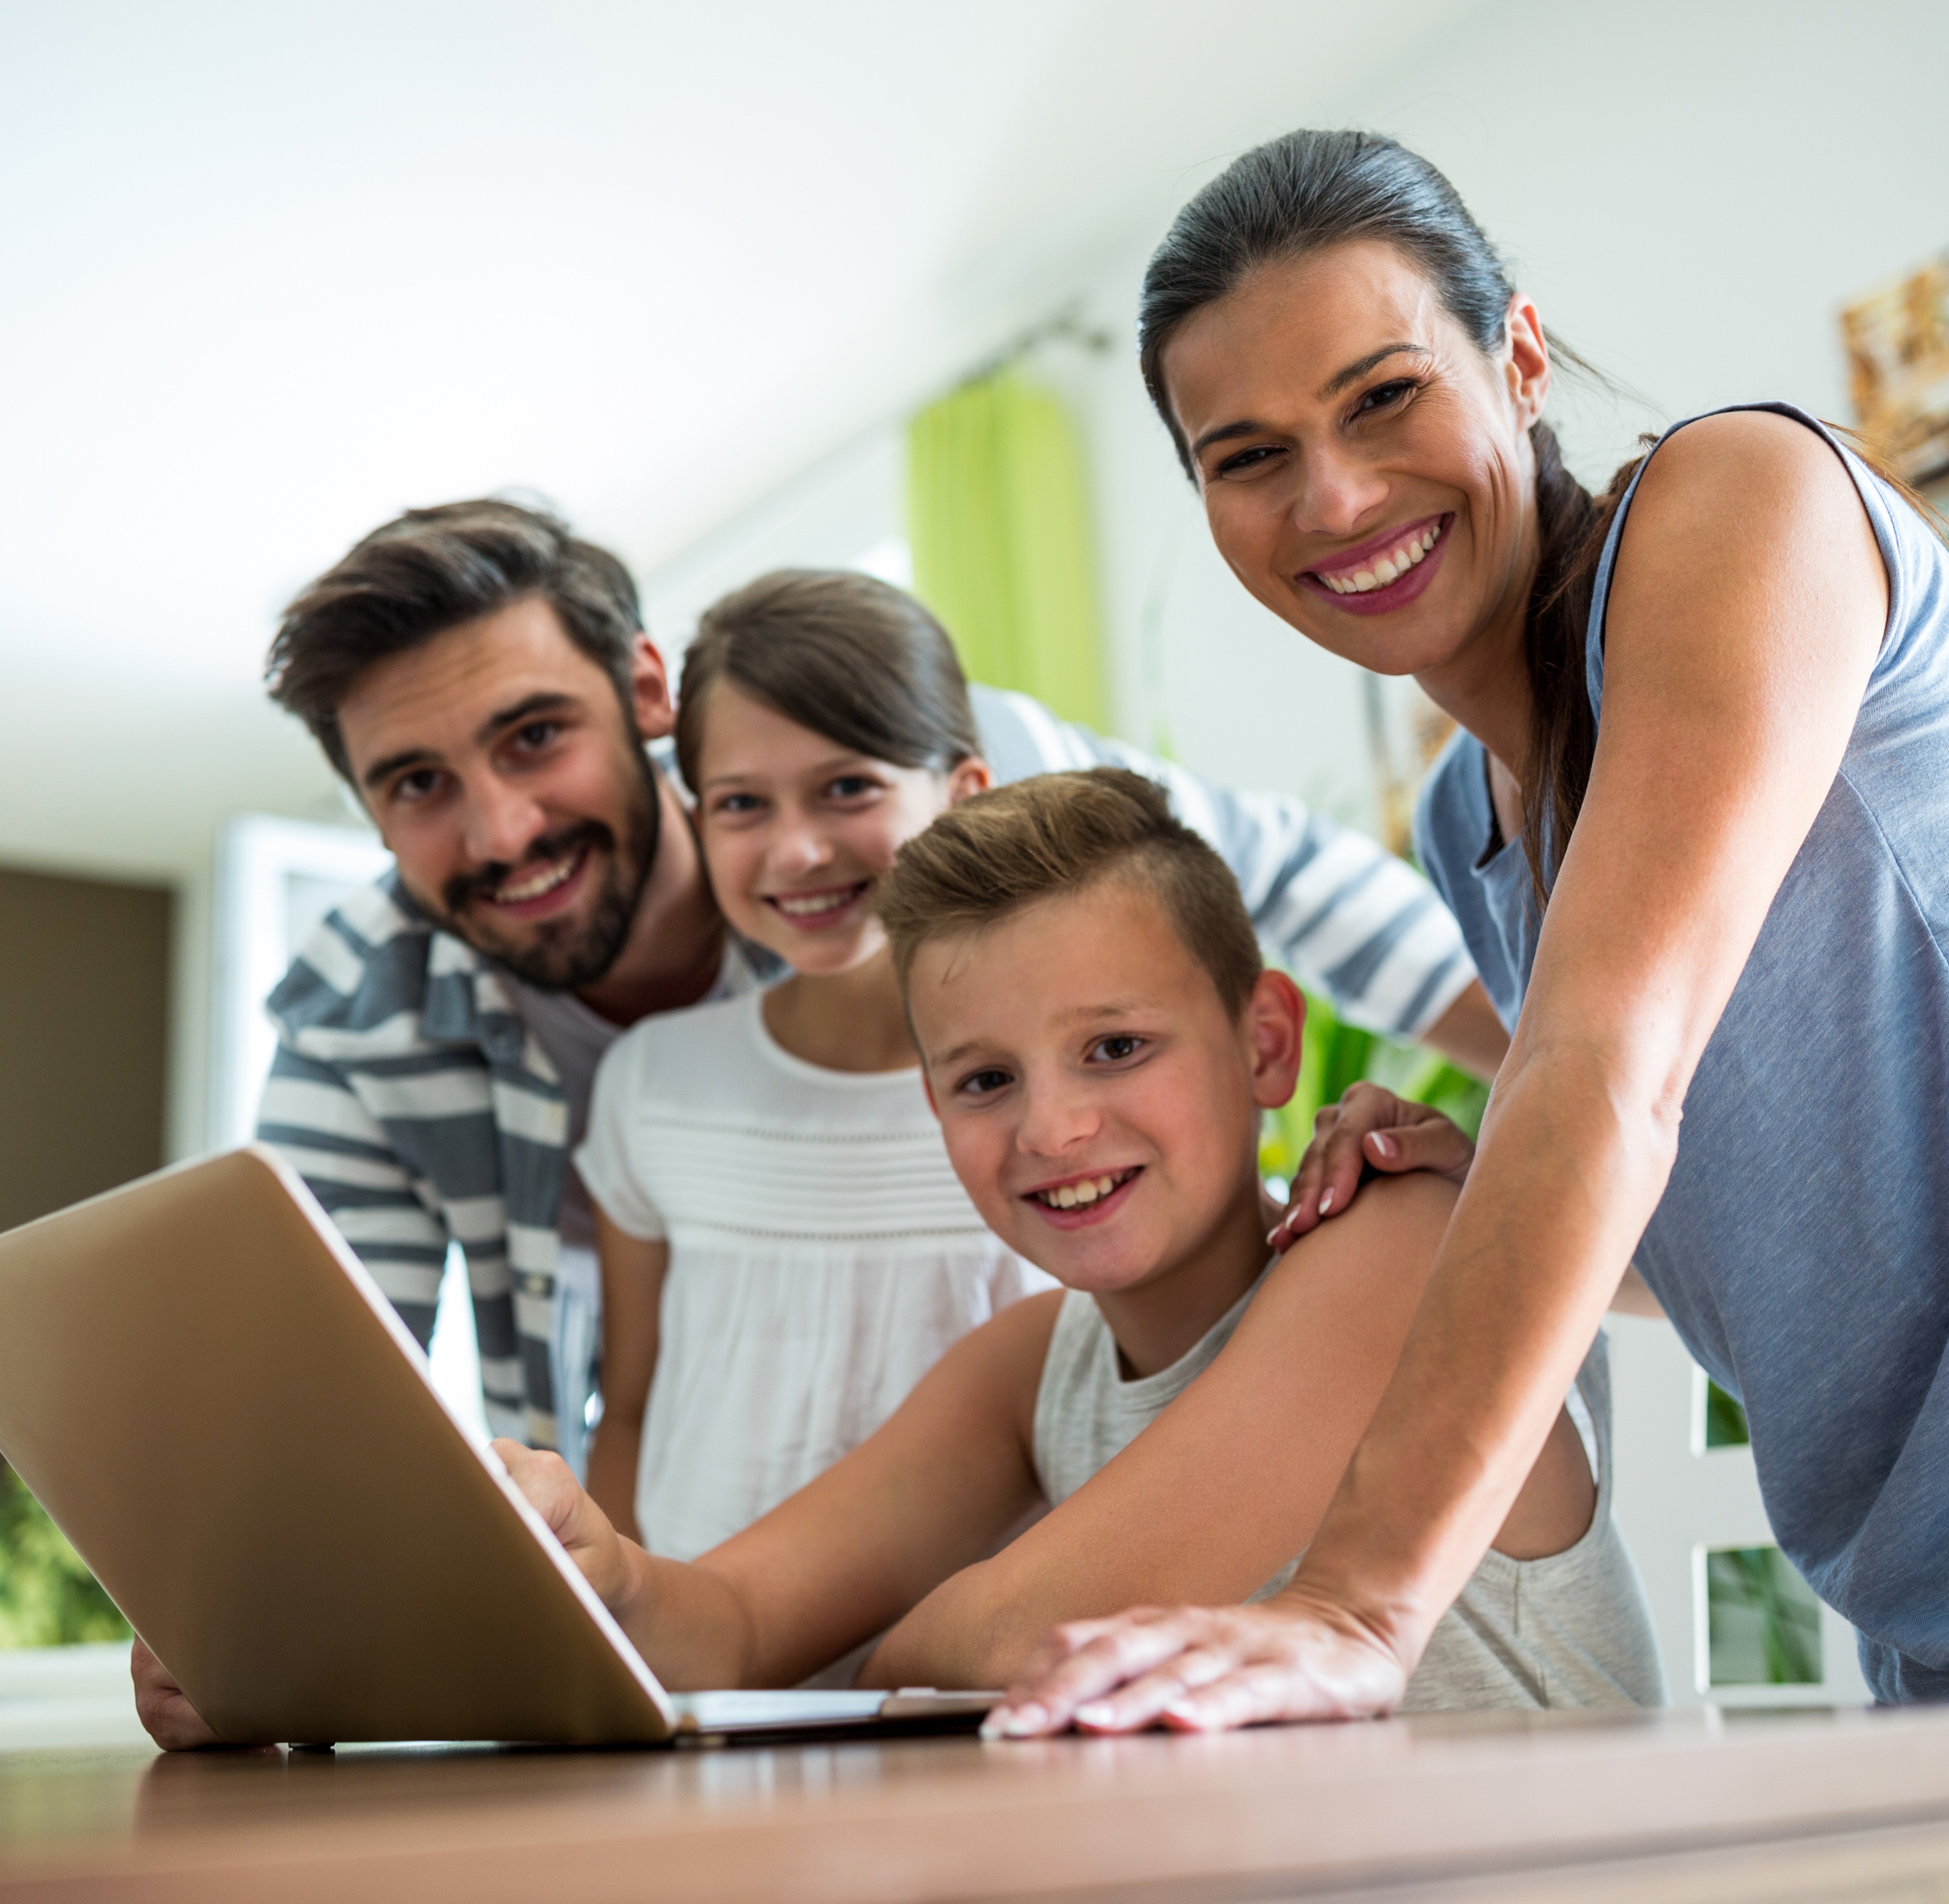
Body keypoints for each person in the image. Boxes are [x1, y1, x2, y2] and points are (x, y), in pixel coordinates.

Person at [990, 128, 1949, 1734]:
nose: (1337, 497)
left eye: (1381, 396)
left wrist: (1355, 1606)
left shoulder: (1738, 501)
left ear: (1514, 356)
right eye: (1247, 456)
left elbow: (1608, 1070)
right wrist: (1470, 1163)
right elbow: (1745, 1240)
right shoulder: (1466, 822)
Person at [132, 770, 1656, 1746]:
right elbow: (720, 1619)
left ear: (1265, 1042)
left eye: (1114, 1048)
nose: (1052, 1130)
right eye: (982, 1081)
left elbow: (1004, 1640)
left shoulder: (1389, 1231)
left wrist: (839, 1654)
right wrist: (515, 1583)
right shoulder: (1024, 1370)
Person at [248, 500, 1506, 1470]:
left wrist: (1569, 1080)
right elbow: (319, 1409)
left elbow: (1286, 873)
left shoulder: (939, 800)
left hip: (1020, 1445)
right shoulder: (358, 1025)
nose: (502, 831)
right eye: (415, 785)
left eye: (537, 738)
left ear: (643, 692)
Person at [575, 572, 1049, 1561]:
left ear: (963, 793)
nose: (796, 850)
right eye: (741, 803)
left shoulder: (1059, 1098)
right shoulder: (651, 1083)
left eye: (848, 789)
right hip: (705, 1684)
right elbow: (625, 1408)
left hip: (977, 1683)